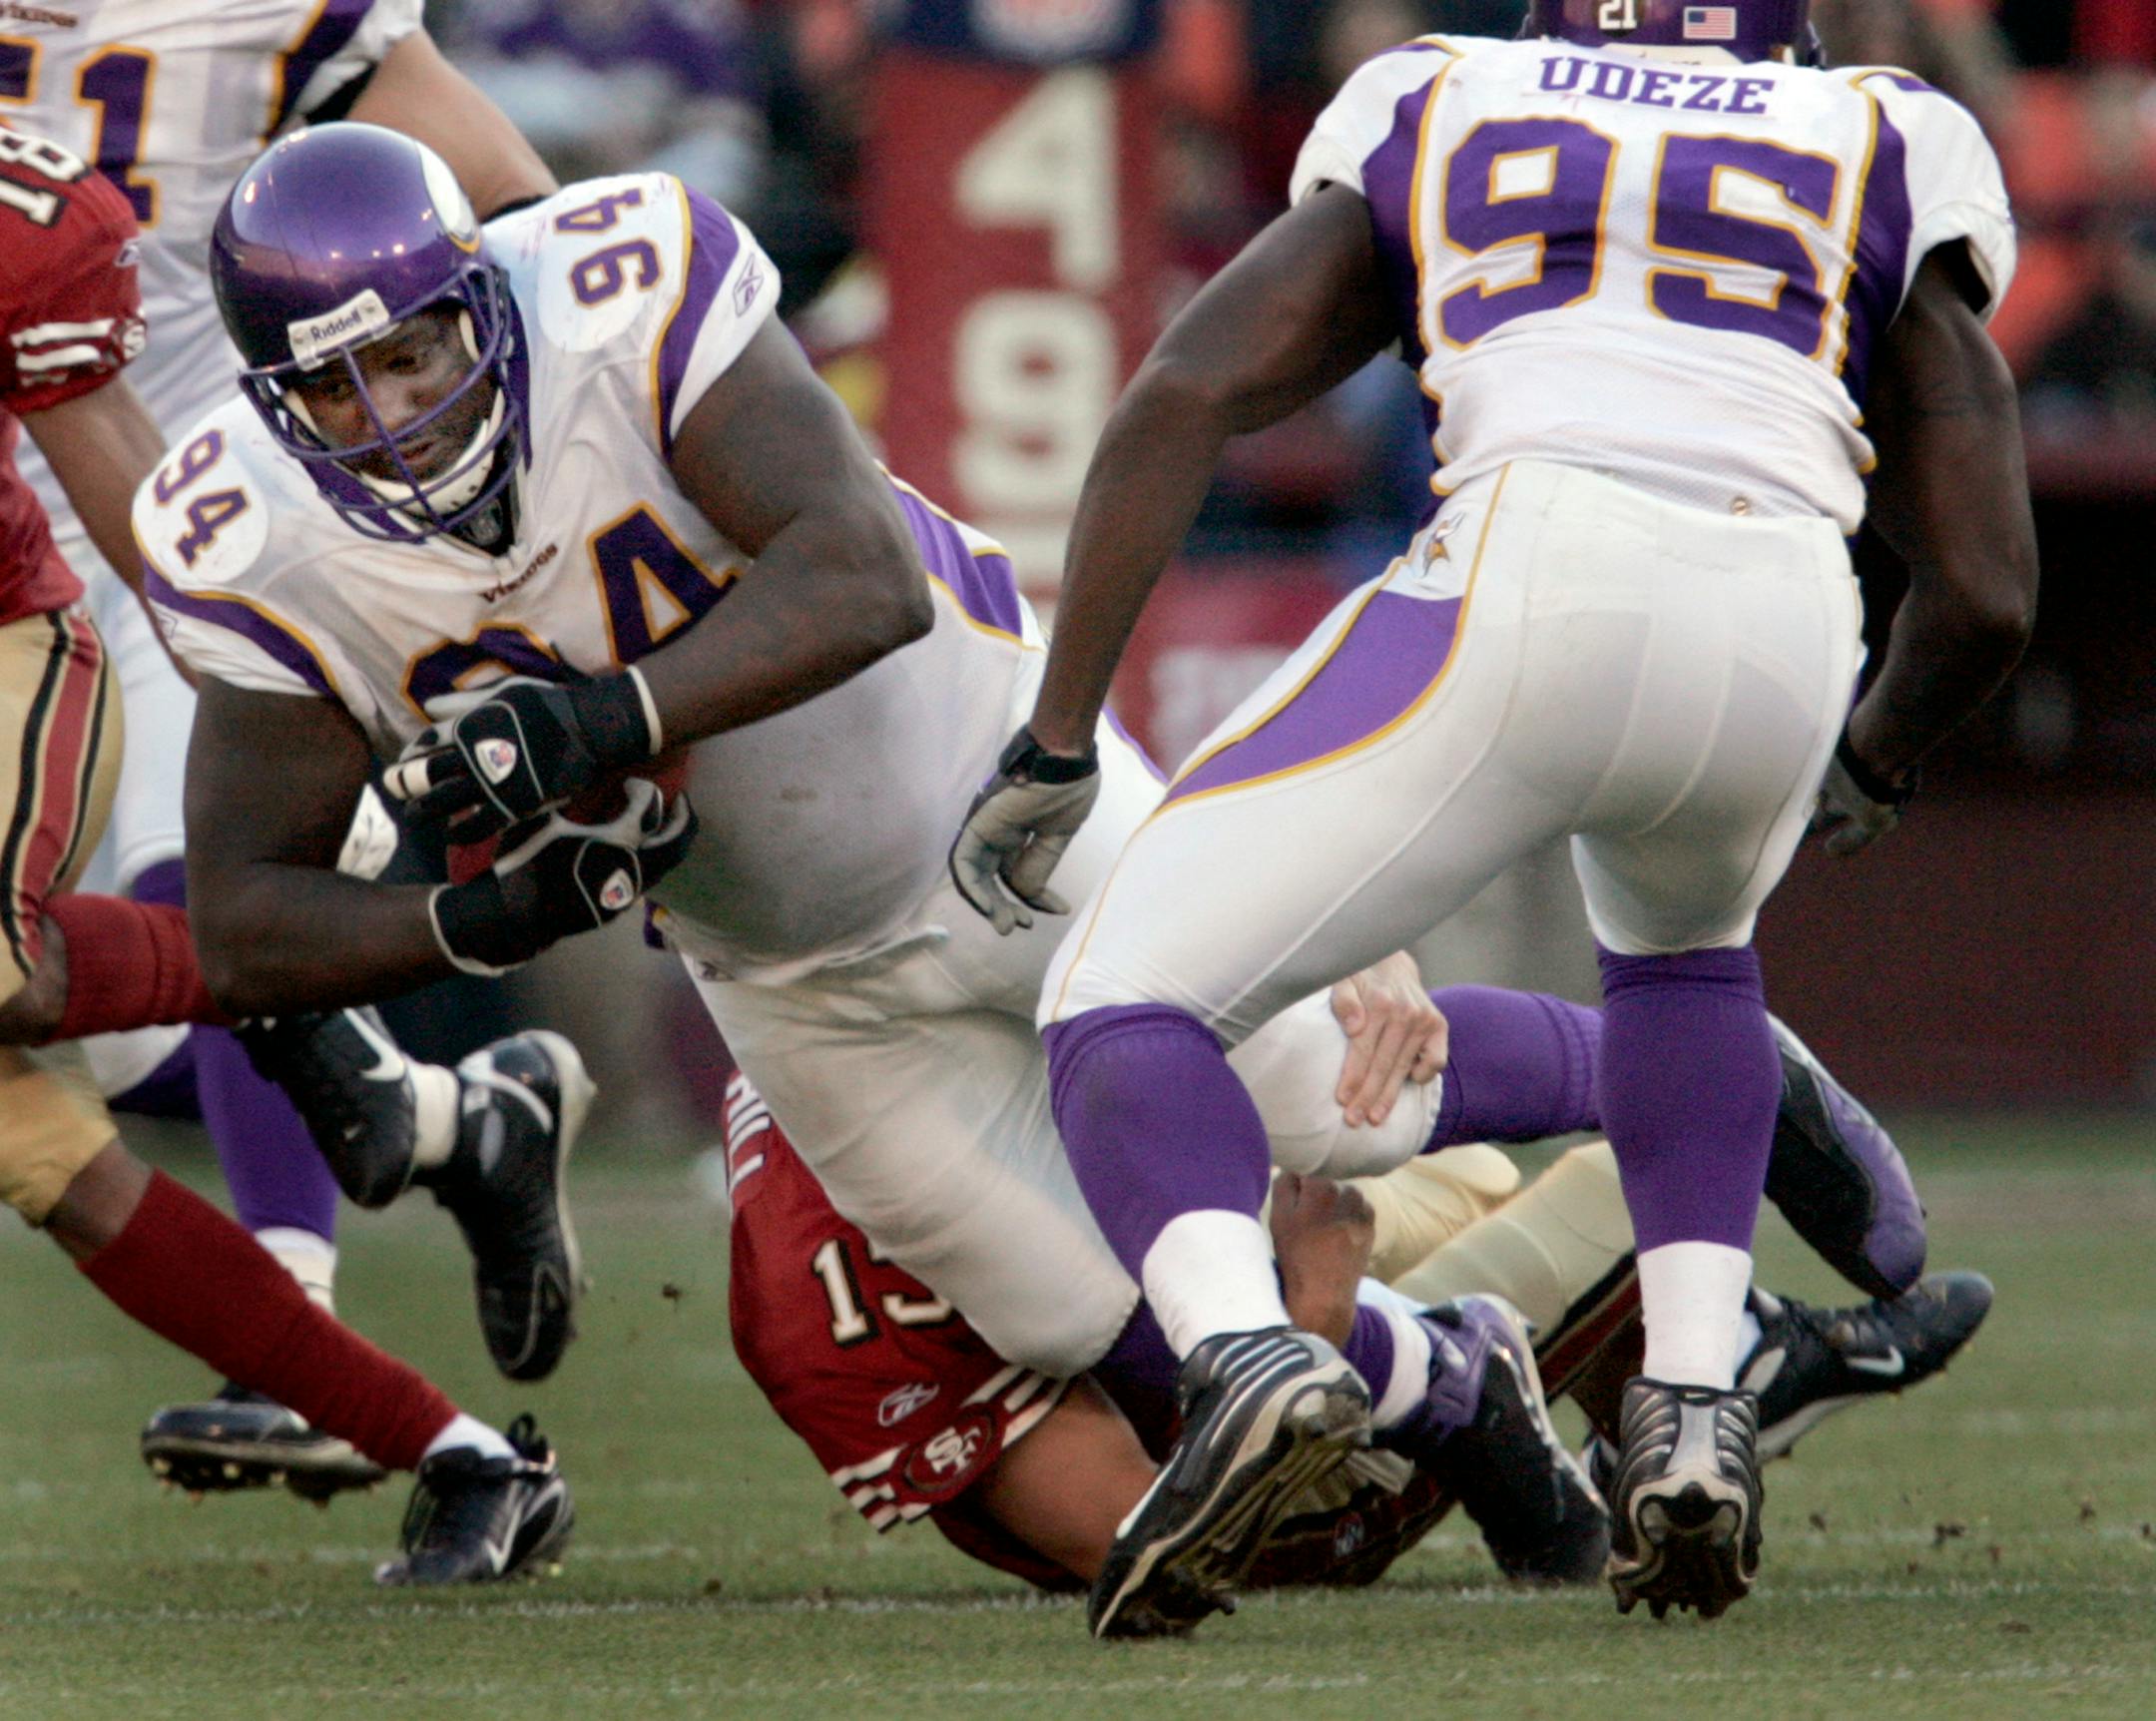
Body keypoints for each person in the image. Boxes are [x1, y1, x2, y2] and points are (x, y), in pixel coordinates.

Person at [160, 123, 1953, 1633]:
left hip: (985, 798)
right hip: (788, 974)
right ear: (270, 399)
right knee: (1093, 1321)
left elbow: (855, 570)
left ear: (484, 303)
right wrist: (473, 918)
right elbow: (240, 916)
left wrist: (597, 718)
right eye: (336, 381)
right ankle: (1465, 1375)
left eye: (415, 354)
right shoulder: (246, 533)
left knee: (1328, 1114)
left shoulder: (620, 291)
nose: (391, 411)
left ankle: (1696, 1070)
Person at [948, 0, 2036, 1628]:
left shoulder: (1442, 93)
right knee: (1684, 962)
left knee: (1118, 993)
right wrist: (1872, 758)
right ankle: (1691, 1405)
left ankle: (1244, 1352)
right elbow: (1990, 588)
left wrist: (1054, 737)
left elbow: (1188, 388)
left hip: (1529, 565)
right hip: (1788, 597)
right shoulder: (1877, 127)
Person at [0, 115, 569, 1584]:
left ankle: (288, 969)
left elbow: (132, 515)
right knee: (41, 1133)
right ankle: (461, 1453)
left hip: (7, 641)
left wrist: (298, 696)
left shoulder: (16, 206)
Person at [724, 1074, 1992, 1618]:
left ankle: (1702, 1371)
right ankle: (1722, 1361)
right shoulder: (829, 1285)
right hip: (1284, 1474)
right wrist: (1312, 1325)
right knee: (1621, 1193)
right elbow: (1151, 1538)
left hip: (1210, 1325)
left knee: (1457, 1164)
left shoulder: (885, 1027)